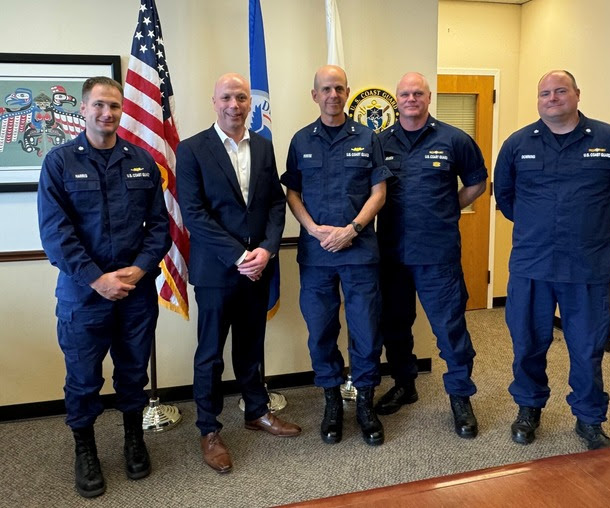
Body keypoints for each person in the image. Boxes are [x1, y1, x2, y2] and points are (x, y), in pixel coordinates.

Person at [494, 70, 610, 450]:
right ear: (538, 100)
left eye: (560, 91)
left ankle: (589, 419)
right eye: (544, 93)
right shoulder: (517, 144)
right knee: (527, 343)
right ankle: (529, 408)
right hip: (532, 265)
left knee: (587, 347)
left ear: (577, 94)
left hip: (587, 267)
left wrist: (592, 224)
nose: (552, 98)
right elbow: (507, 199)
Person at [37, 76, 171, 498]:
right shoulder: (59, 163)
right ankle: (86, 449)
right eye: (98, 105)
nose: (106, 113)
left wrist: (140, 269)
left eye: (113, 106)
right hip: (83, 295)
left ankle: (134, 439)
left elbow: (160, 227)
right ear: (83, 109)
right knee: (83, 378)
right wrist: (97, 279)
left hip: (135, 292)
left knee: (132, 373)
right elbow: (55, 233)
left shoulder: (142, 160)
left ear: (122, 110)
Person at [177, 73, 300, 474]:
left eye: (242, 97)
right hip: (216, 272)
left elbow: (276, 205)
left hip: (257, 270)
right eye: (227, 97)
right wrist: (238, 255)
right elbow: (194, 213)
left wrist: (265, 249)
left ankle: (256, 411)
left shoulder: (263, 147)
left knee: (251, 346)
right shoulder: (192, 149)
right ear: (214, 101)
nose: (235, 104)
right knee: (210, 354)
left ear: (251, 104)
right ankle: (209, 429)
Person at [281, 65, 392, 446]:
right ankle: (331, 401)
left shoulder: (367, 136)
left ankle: (364, 403)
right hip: (316, 255)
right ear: (314, 95)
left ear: (347, 93)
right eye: (325, 89)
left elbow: (379, 192)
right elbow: (292, 192)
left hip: (358, 252)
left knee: (365, 330)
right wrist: (312, 228)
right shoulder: (300, 141)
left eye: (339, 88)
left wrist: (352, 230)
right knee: (321, 331)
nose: (332, 94)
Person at [374, 72, 487, 439]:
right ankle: (405, 384)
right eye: (404, 93)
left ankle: (460, 397)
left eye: (417, 93)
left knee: (450, 328)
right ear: (396, 99)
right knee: (395, 325)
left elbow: (477, 182)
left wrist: (448, 208)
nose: (411, 98)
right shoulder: (379, 142)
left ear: (428, 97)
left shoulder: (454, 139)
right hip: (391, 252)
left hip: (437, 254)